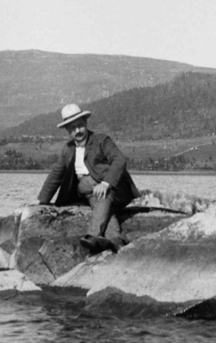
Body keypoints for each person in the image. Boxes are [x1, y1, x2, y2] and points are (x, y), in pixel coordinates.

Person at [38, 103, 141, 253]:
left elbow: (120, 160)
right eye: (72, 128)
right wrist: (42, 200)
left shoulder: (101, 140)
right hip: (89, 192)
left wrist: (106, 183)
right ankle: (117, 242)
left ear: (86, 123)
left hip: (116, 188)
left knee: (103, 196)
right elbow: (56, 173)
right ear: (67, 130)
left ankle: (93, 236)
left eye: (80, 126)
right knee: (103, 207)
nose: (77, 131)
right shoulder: (68, 149)